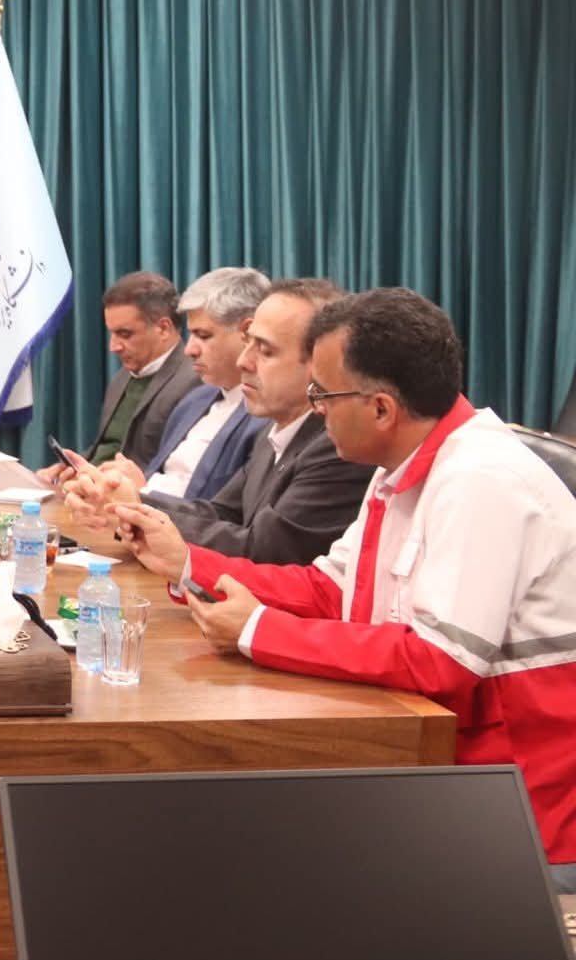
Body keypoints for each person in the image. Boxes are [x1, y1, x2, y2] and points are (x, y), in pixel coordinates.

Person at [117, 288, 576, 886]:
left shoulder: (481, 480)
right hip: (438, 764)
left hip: (519, 816)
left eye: (323, 395)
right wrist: (189, 565)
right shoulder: (403, 466)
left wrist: (258, 631)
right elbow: (332, 591)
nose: (316, 412)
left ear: (381, 408)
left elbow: (440, 662)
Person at [70, 278, 372, 568]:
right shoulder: (275, 429)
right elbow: (222, 512)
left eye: (265, 350)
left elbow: (263, 551)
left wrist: (133, 512)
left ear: (319, 365)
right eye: (248, 343)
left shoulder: (336, 446)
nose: (244, 361)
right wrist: (127, 503)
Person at [127, 267, 270, 501]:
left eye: (203, 336)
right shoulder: (193, 400)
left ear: (247, 332)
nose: (190, 350)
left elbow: (221, 511)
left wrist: (139, 494)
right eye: (191, 335)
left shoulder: (268, 415)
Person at [36, 272, 196, 482]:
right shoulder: (122, 377)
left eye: (125, 334)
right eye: (112, 334)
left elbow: (178, 477)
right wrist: (74, 467)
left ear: (163, 328)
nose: (114, 347)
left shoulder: (195, 382)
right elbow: (108, 448)